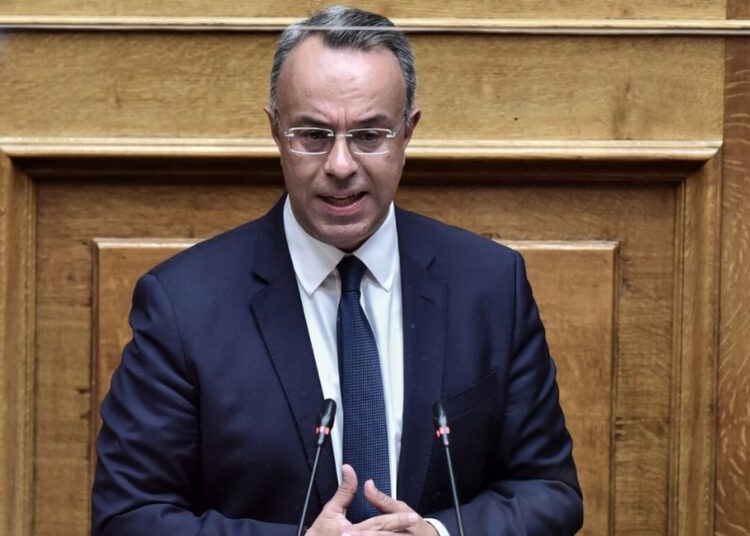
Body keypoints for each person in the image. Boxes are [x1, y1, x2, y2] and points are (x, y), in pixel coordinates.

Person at [91, 6, 583, 535]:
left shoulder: (490, 285)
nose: (341, 165)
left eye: (369, 136)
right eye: (313, 135)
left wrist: (438, 534)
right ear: (276, 132)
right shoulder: (182, 305)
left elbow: (548, 491)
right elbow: (129, 516)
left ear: (407, 132)